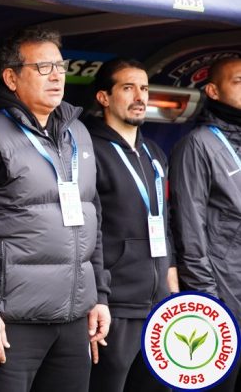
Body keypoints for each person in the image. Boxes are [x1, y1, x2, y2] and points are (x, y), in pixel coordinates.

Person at [0, 26, 110, 392]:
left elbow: (92, 219)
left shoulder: (78, 133)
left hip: (74, 319)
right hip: (10, 322)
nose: (56, 76)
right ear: (11, 78)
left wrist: (99, 295)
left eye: (60, 66)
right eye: (42, 67)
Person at [83, 58, 177, 392]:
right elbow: (86, 234)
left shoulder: (154, 153)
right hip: (115, 308)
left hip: (158, 307)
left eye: (144, 88)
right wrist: (97, 299)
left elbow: (164, 221)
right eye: (128, 88)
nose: (140, 97)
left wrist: (171, 288)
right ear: (104, 98)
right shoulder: (89, 150)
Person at [169, 56, 241, 392]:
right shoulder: (198, 144)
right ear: (212, 91)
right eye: (238, 82)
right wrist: (206, 299)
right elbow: (189, 228)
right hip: (223, 293)